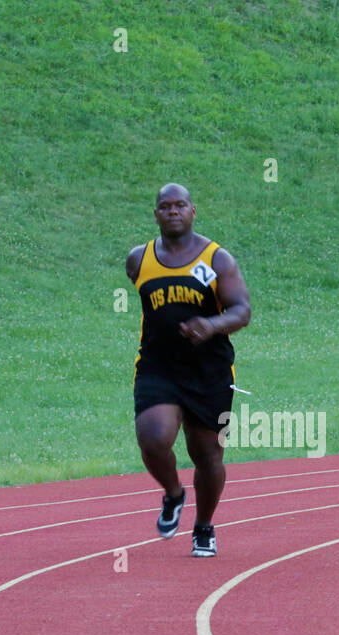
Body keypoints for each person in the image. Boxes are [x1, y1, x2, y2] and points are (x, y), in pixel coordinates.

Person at [126, 183, 251, 557]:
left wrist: (211, 326)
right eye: (165, 206)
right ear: (156, 214)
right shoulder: (138, 260)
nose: (173, 211)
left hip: (209, 372)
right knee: (152, 437)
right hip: (158, 366)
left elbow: (242, 310)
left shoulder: (217, 260)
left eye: (180, 205)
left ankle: (204, 527)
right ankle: (173, 493)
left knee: (208, 454)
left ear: (193, 211)